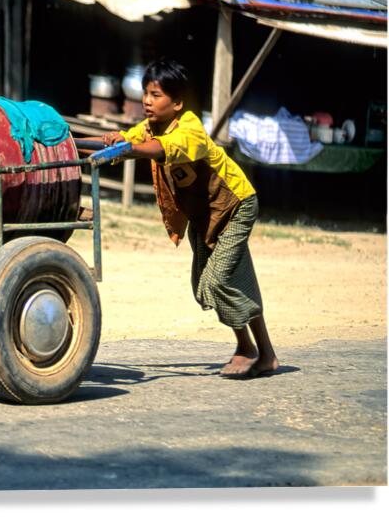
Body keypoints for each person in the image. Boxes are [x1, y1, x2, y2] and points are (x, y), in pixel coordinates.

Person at [102, 58, 279, 378]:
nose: (146, 100)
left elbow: (164, 147)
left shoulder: (191, 129)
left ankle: (247, 348)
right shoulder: (150, 126)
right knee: (212, 282)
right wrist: (119, 140)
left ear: (178, 102)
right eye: (145, 93)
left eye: (156, 95)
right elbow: (137, 137)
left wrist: (131, 147)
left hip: (235, 206)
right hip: (204, 214)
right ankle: (266, 354)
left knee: (217, 283)